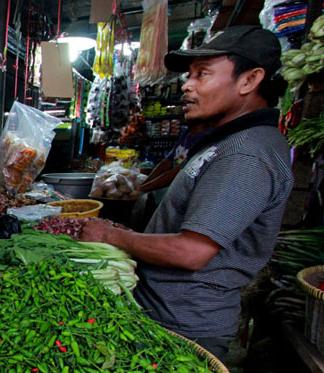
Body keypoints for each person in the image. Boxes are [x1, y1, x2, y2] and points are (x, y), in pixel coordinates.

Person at [81, 26, 293, 362]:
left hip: (185, 327)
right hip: (166, 316)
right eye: (190, 75)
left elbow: (191, 251)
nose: (187, 85)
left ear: (249, 81)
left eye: (202, 74)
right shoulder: (226, 142)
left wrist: (111, 236)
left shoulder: (247, 154)